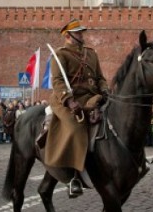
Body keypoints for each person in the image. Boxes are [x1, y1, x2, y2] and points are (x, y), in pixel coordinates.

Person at [44, 18, 109, 198]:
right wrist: (69, 100)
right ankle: (74, 177)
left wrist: (104, 89)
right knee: (76, 127)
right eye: (78, 33)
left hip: (91, 97)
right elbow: (57, 82)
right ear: (68, 35)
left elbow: (100, 78)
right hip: (66, 100)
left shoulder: (91, 54)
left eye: (81, 32)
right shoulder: (60, 55)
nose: (82, 35)